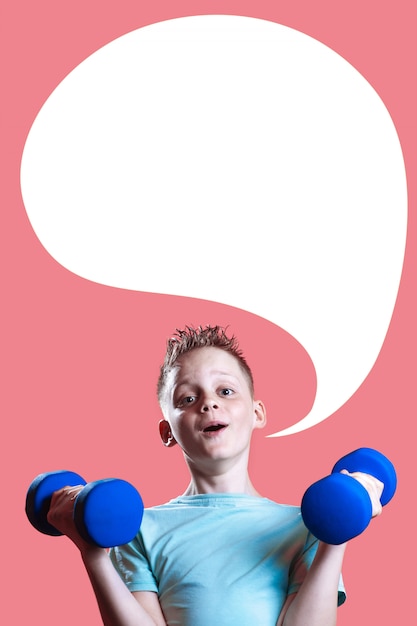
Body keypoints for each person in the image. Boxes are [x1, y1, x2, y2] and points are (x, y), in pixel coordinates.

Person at [47, 325, 384, 626]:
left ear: (256, 412)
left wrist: (337, 534)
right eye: (188, 398)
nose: (208, 403)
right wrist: (91, 553)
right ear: (167, 432)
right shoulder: (137, 528)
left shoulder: (309, 525)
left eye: (225, 391)